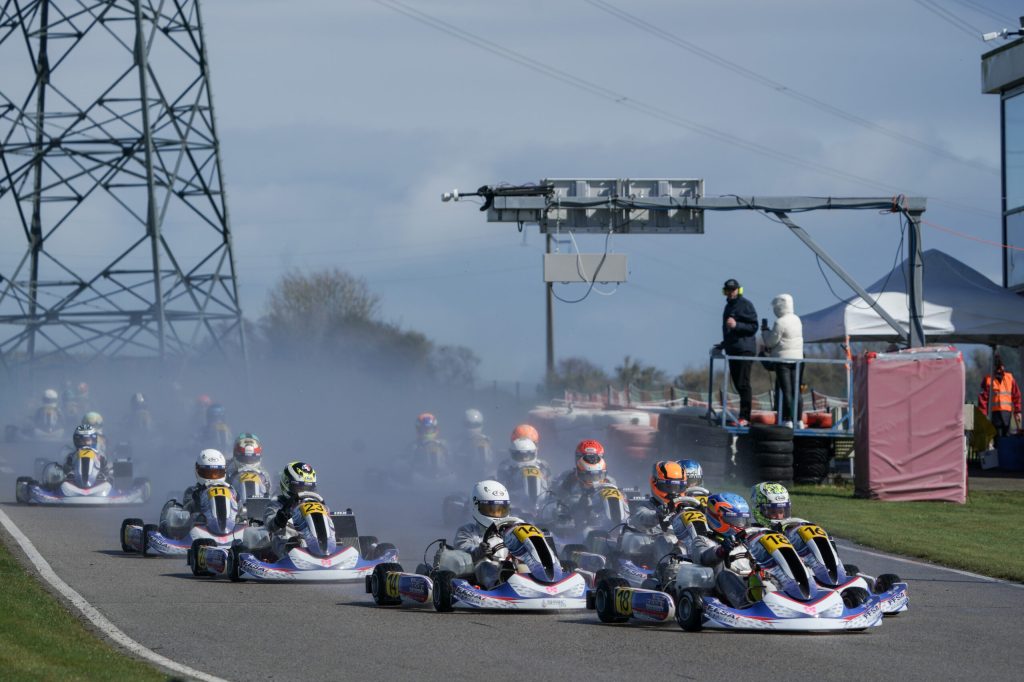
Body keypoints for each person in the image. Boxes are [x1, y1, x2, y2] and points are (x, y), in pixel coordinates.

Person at [453, 480, 525, 589]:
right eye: (491, 510)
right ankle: (498, 587)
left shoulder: (513, 529)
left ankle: (542, 584)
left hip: (514, 572)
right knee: (486, 565)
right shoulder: (468, 531)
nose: (497, 515)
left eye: (501, 510)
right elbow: (462, 552)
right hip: (481, 578)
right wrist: (478, 551)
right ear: (476, 506)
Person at [717, 278, 759, 426]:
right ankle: (742, 416)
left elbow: (753, 327)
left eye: (733, 290)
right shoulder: (728, 306)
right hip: (733, 349)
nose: (730, 292)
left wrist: (737, 325)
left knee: (743, 383)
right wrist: (723, 344)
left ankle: (745, 417)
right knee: (737, 384)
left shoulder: (745, 304)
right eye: (728, 290)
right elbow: (729, 331)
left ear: (738, 290)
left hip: (744, 350)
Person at [158, 449, 229, 536]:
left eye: (217, 473)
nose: (213, 477)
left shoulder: (231, 490)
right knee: (174, 509)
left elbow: (238, 507)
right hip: (199, 529)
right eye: (208, 473)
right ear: (198, 471)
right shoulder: (192, 491)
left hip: (229, 527)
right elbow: (187, 510)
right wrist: (199, 497)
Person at [761, 293, 804, 428]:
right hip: (798, 360)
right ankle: (799, 420)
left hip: (783, 361)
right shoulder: (797, 319)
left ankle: (787, 419)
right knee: (796, 391)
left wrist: (764, 331)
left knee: (787, 391)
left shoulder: (780, 322)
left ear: (779, 307)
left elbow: (770, 342)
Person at [265, 461, 321, 558]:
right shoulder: (277, 503)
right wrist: (279, 518)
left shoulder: (317, 504)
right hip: (285, 544)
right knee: (292, 542)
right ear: (286, 484)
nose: (304, 492)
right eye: (299, 488)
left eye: (308, 488)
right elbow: (269, 525)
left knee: (337, 539)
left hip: (313, 541)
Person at [978, 355, 1022, 438]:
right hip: (995, 414)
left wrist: (1018, 411)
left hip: (1005, 414)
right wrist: (983, 414)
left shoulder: (1009, 378)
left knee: (1005, 437)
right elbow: (983, 399)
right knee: (998, 437)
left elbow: (1016, 396)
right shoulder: (988, 379)